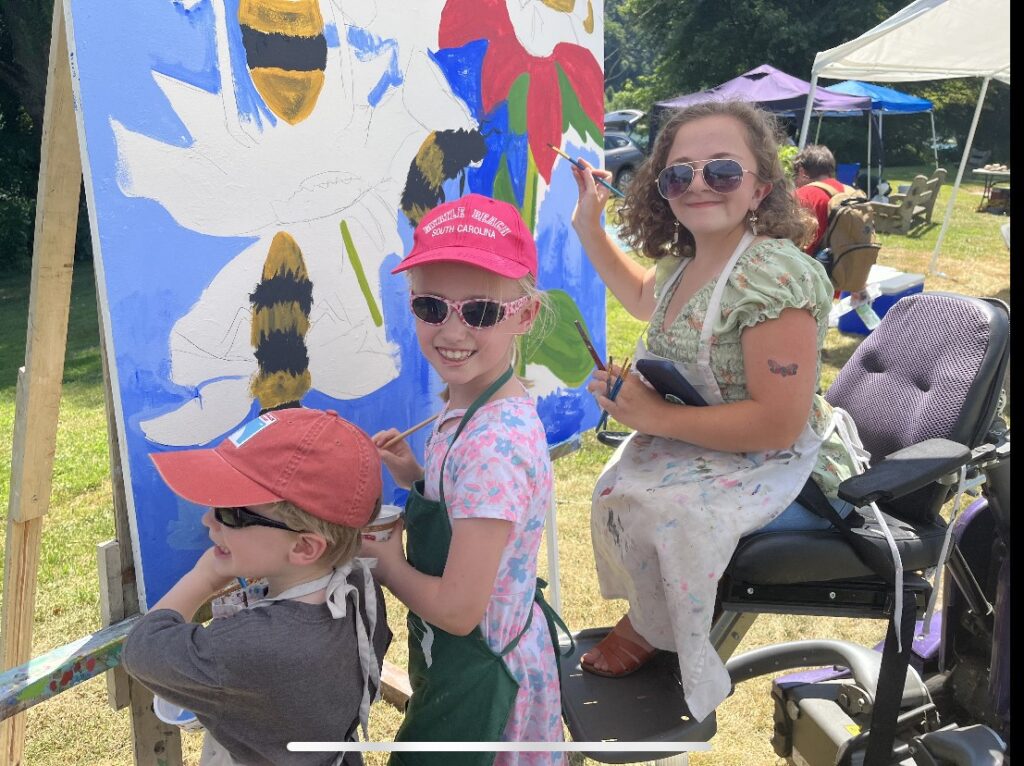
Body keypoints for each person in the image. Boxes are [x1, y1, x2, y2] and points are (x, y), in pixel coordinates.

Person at [569, 101, 859, 723]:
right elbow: (644, 298)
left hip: (785, 463)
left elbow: (779, 426)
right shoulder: (683, 264)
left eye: (722, 170)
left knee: (669, 510)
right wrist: (589, 226)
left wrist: (656, 418)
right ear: (661, 190)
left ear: (761, 186)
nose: (698, 183)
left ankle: (666, 636)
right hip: (710, 440)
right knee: (617, 484)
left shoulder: (775, 277)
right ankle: (651, 613)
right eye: (679, 174)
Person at [362, 193, 565, 765]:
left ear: (524, 315)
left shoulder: (491, 451)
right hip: (480, 653)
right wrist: (419, 476)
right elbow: (475, 505)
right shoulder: (473, 400)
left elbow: (455, 610)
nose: (452, 330)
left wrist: (385, 564)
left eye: (479, 311)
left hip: (487, 677)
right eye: (431, 307)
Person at [121, 408, 392, 766]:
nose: (208, 519)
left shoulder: (248, 645)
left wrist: (201, 579)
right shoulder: (359, 582)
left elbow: (143, 650)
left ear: (303, 547)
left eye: (231, 513)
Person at [792, 143, 846, 254]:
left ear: (802, 172)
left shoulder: (804, 195)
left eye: (795, 176)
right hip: (848, 263)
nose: (795, 182)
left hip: (814, 266)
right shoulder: (846, 191)